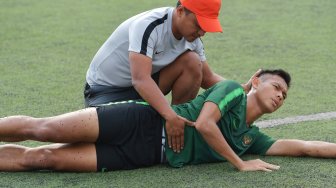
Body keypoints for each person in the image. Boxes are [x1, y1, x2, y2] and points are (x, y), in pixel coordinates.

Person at [0, 69, 335, 172]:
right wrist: (240, 163)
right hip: (138, 122)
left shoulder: (252, 138)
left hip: (145, 156)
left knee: (44, 159)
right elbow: (204, 124)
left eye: (285, 96)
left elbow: (304, 147)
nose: (280, 96)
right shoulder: (231, 90)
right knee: (40, 128)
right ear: (258, 82)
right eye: (277, 87)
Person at [84, 0, 259, 153]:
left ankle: (175, 130)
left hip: (141, 88)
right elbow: (140, 79)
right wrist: (169, 116)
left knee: (192, 62)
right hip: (104, 92)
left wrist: (241, 89)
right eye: (199, 25)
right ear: (181, 11)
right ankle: (170, 123)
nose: (202, 32)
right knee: (118, 134)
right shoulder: (148, 25)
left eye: (206, 28)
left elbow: (208, 78)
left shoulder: (193, 39)